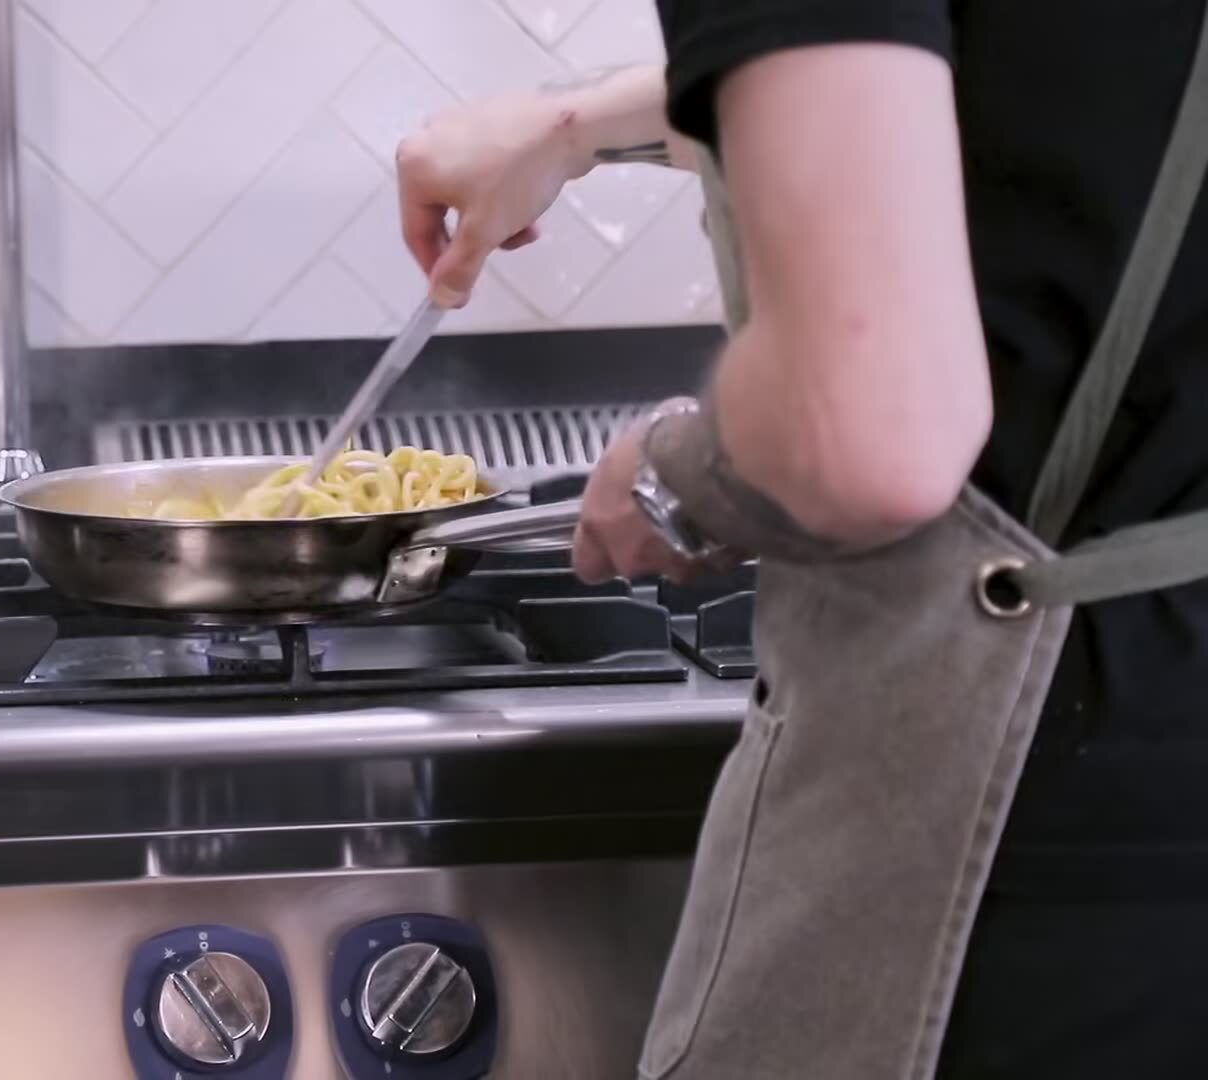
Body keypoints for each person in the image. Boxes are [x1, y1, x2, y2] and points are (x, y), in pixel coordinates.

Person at [396, 5, 1208, 1078]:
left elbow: (868, 433)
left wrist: (676, 479)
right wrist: (576, 126)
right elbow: (1054, 87)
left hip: (1017, 829)